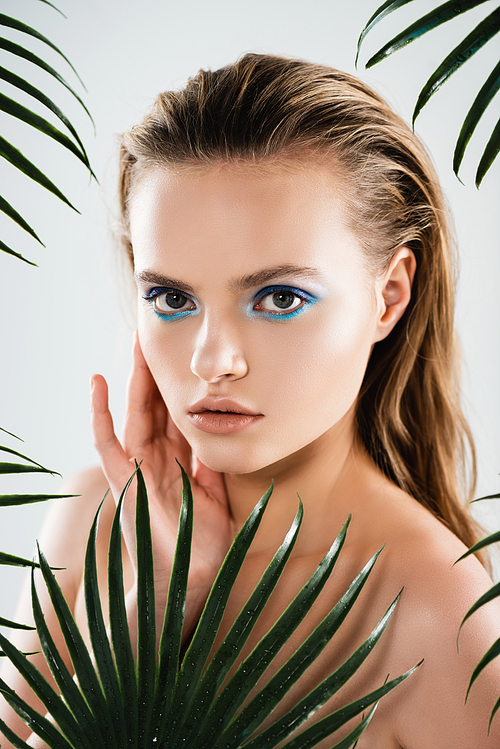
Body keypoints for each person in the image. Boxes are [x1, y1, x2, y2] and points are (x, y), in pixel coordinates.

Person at [1, 53, 499, 748]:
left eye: (280, 298)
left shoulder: (438, 617)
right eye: (172, 298)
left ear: (390, 294)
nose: (211, 360)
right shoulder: (91, 524)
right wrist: (158, 609)